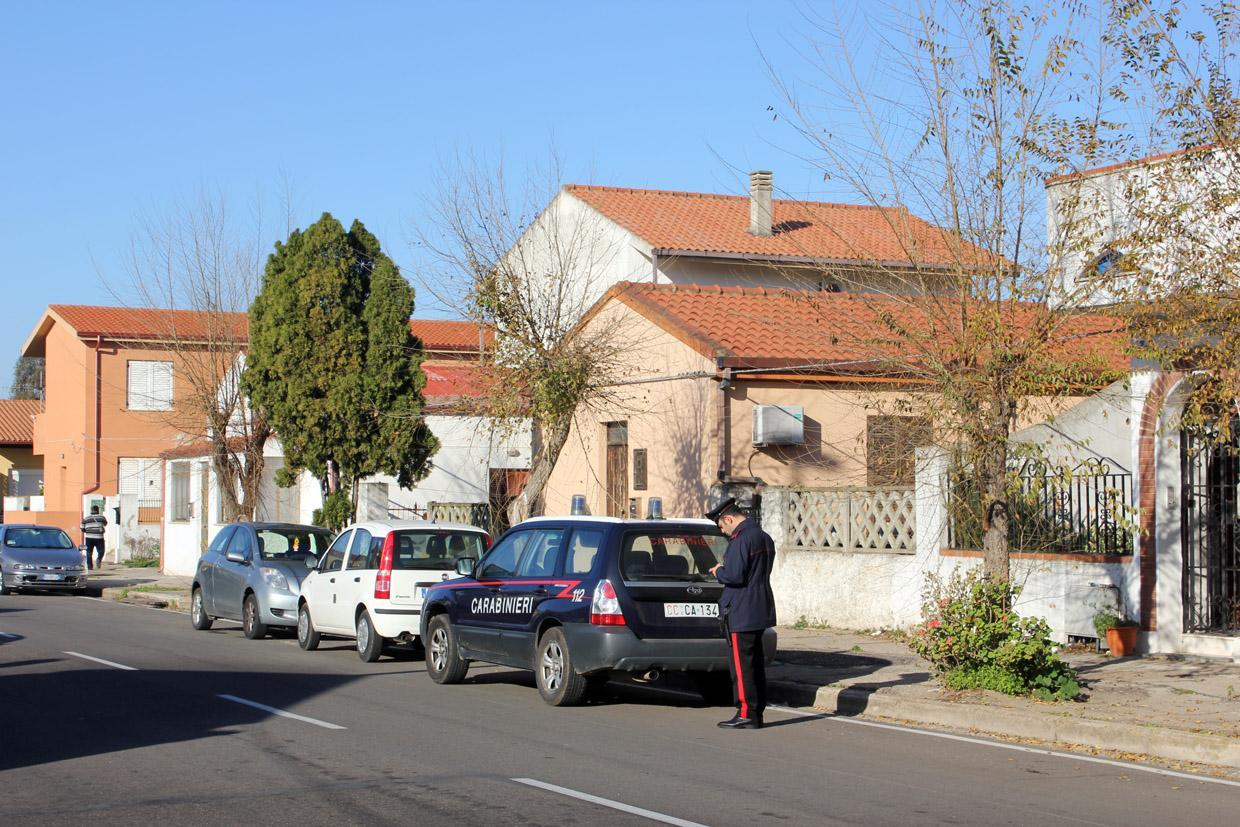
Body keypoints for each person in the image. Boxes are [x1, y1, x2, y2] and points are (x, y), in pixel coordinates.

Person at [707, 496, 776, 730]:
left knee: (742, 666)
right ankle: (756, 712)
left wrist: (719, 571)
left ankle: (746, 712)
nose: (723, 531)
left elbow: (735, 576)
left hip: (741, 609)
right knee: (754, 665)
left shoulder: (741, 539)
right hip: (759, 607)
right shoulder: (763, 537)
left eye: (722, 526)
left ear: (728, 518)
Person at [81, 505, 108, 570]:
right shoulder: (102, 518)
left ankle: (89, 566)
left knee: (89, 552)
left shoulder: (86, 518)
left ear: (91, 510)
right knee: (101, 551)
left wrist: (88, 531)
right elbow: (105, 524)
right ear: (98, 510)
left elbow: (82, 528)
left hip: (89, 538)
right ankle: (99, 559)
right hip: (99, 538)